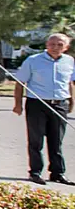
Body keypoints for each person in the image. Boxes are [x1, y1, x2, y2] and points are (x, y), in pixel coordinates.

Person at [13, 33, 75, 186]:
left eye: (60, 45)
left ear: (66, 47)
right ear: (46, 45)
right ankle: (35, 172)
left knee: (57, 140)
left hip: (60, 104)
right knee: (36, 140)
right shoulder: (33, 61)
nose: (55, 47)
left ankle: (57, 173)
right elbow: (20, 83)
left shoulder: (69, 61)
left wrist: (72, 102)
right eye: (52, 44)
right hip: (37, 103)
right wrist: (18, 104)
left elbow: (70, 83)